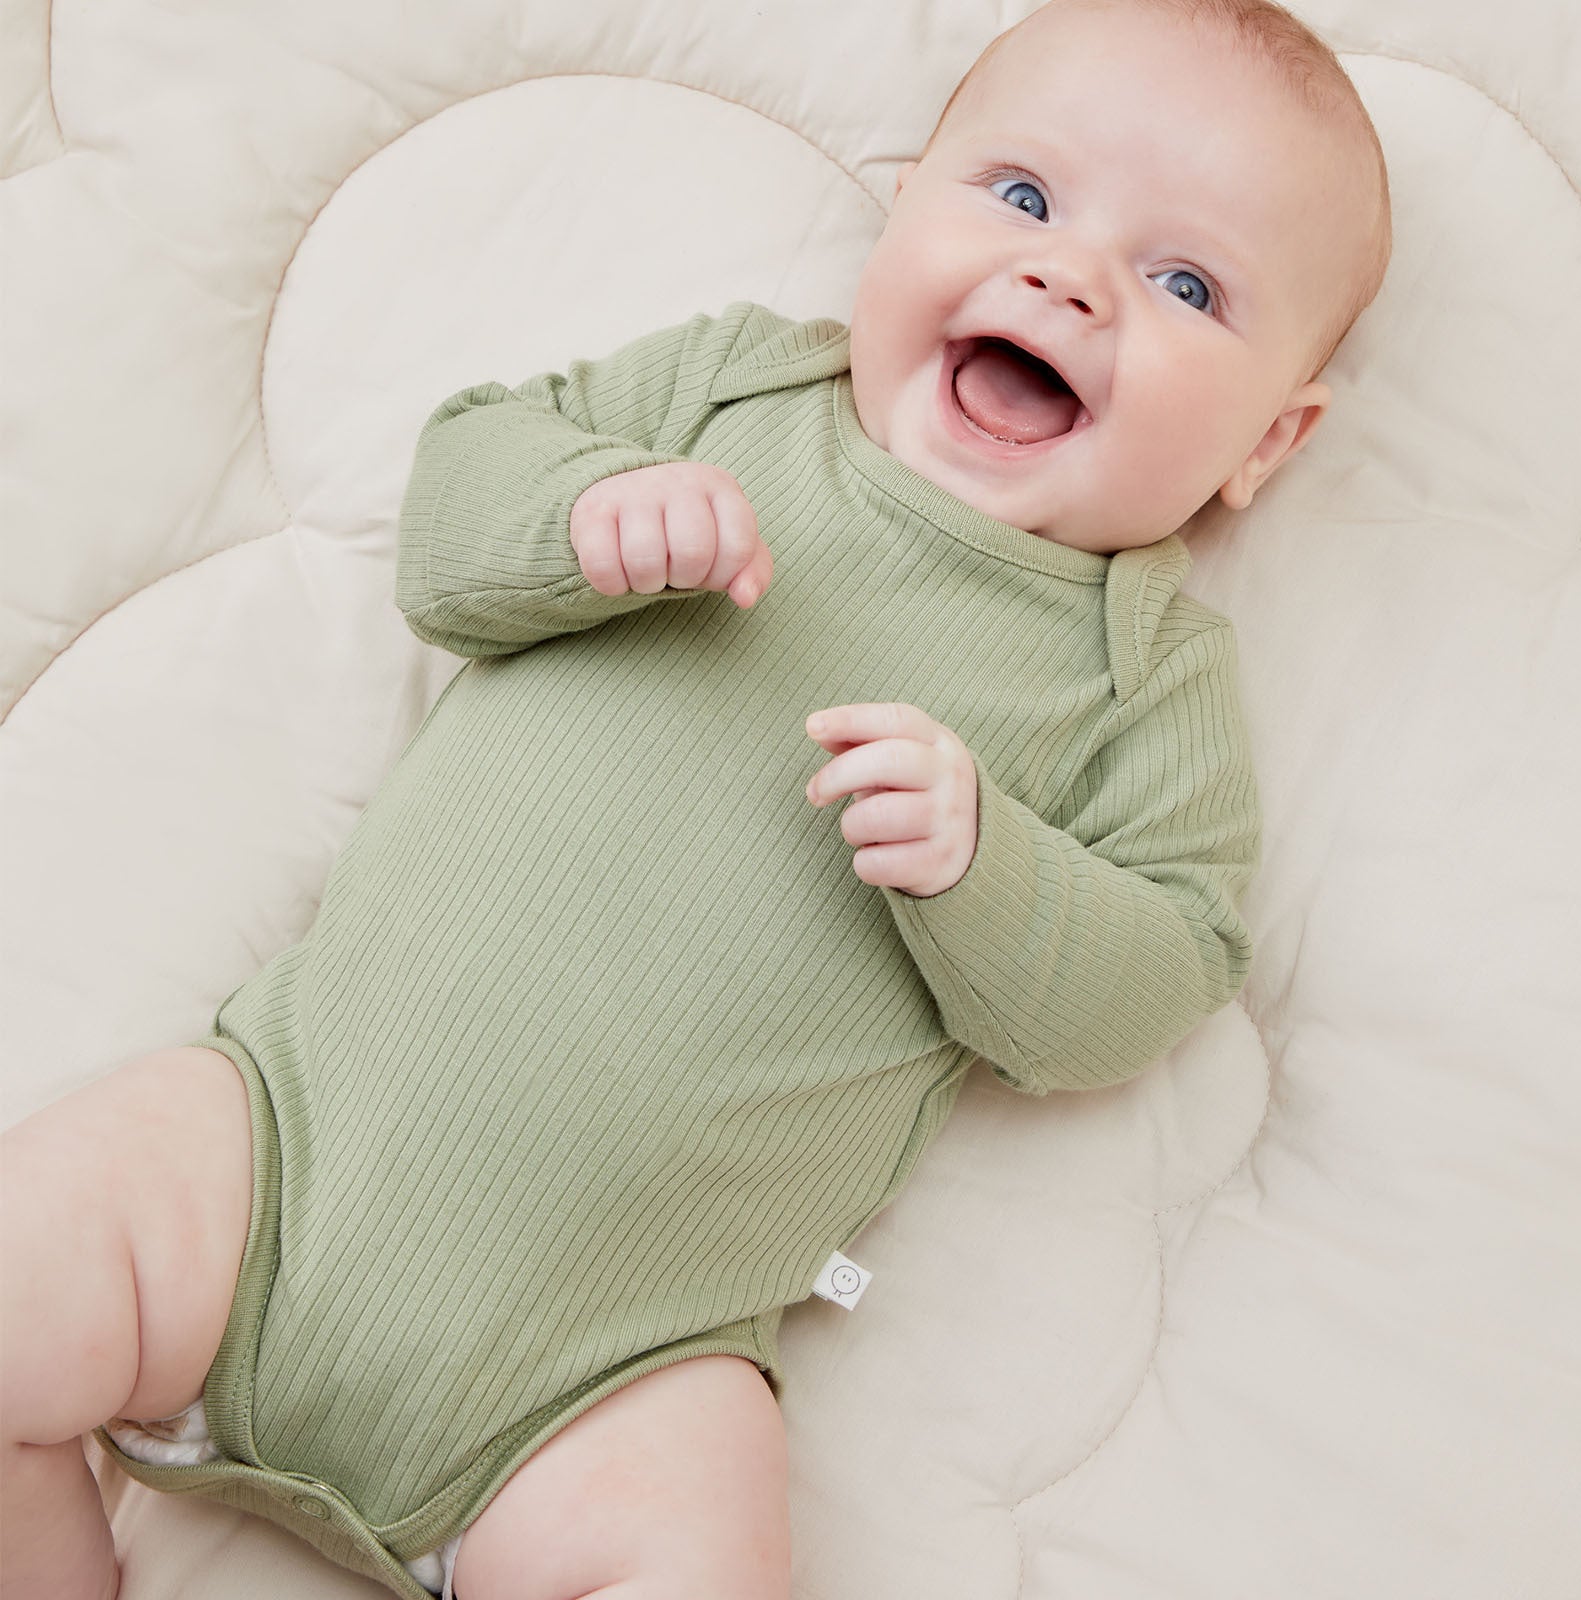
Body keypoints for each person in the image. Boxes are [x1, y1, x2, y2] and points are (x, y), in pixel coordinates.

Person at [0, 0, 1391, 1596]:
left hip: (608, 1374)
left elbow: (1159, 975)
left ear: (1268, 441)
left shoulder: (1139, 675)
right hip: (272, 1170)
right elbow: (458, 504)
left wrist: (989, 868)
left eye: (1188, 282)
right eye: (1021, 198)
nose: (1069, 275)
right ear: (902, 201)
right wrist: (577, 515)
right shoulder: (734, 395)